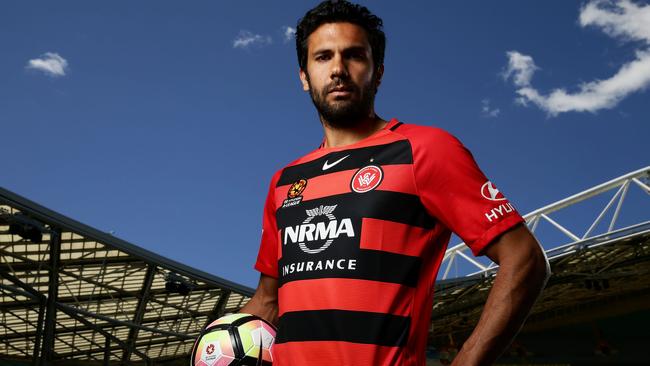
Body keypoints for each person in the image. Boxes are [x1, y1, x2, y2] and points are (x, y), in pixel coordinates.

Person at [240, 1, 550, 365]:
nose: (338, 69)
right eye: (323, 57)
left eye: (354, 55)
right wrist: (216, 345)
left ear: (379, 71)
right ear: (304, 76)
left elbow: (525, 258)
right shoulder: (285, 181)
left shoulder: (425, 149)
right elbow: (267, 300)